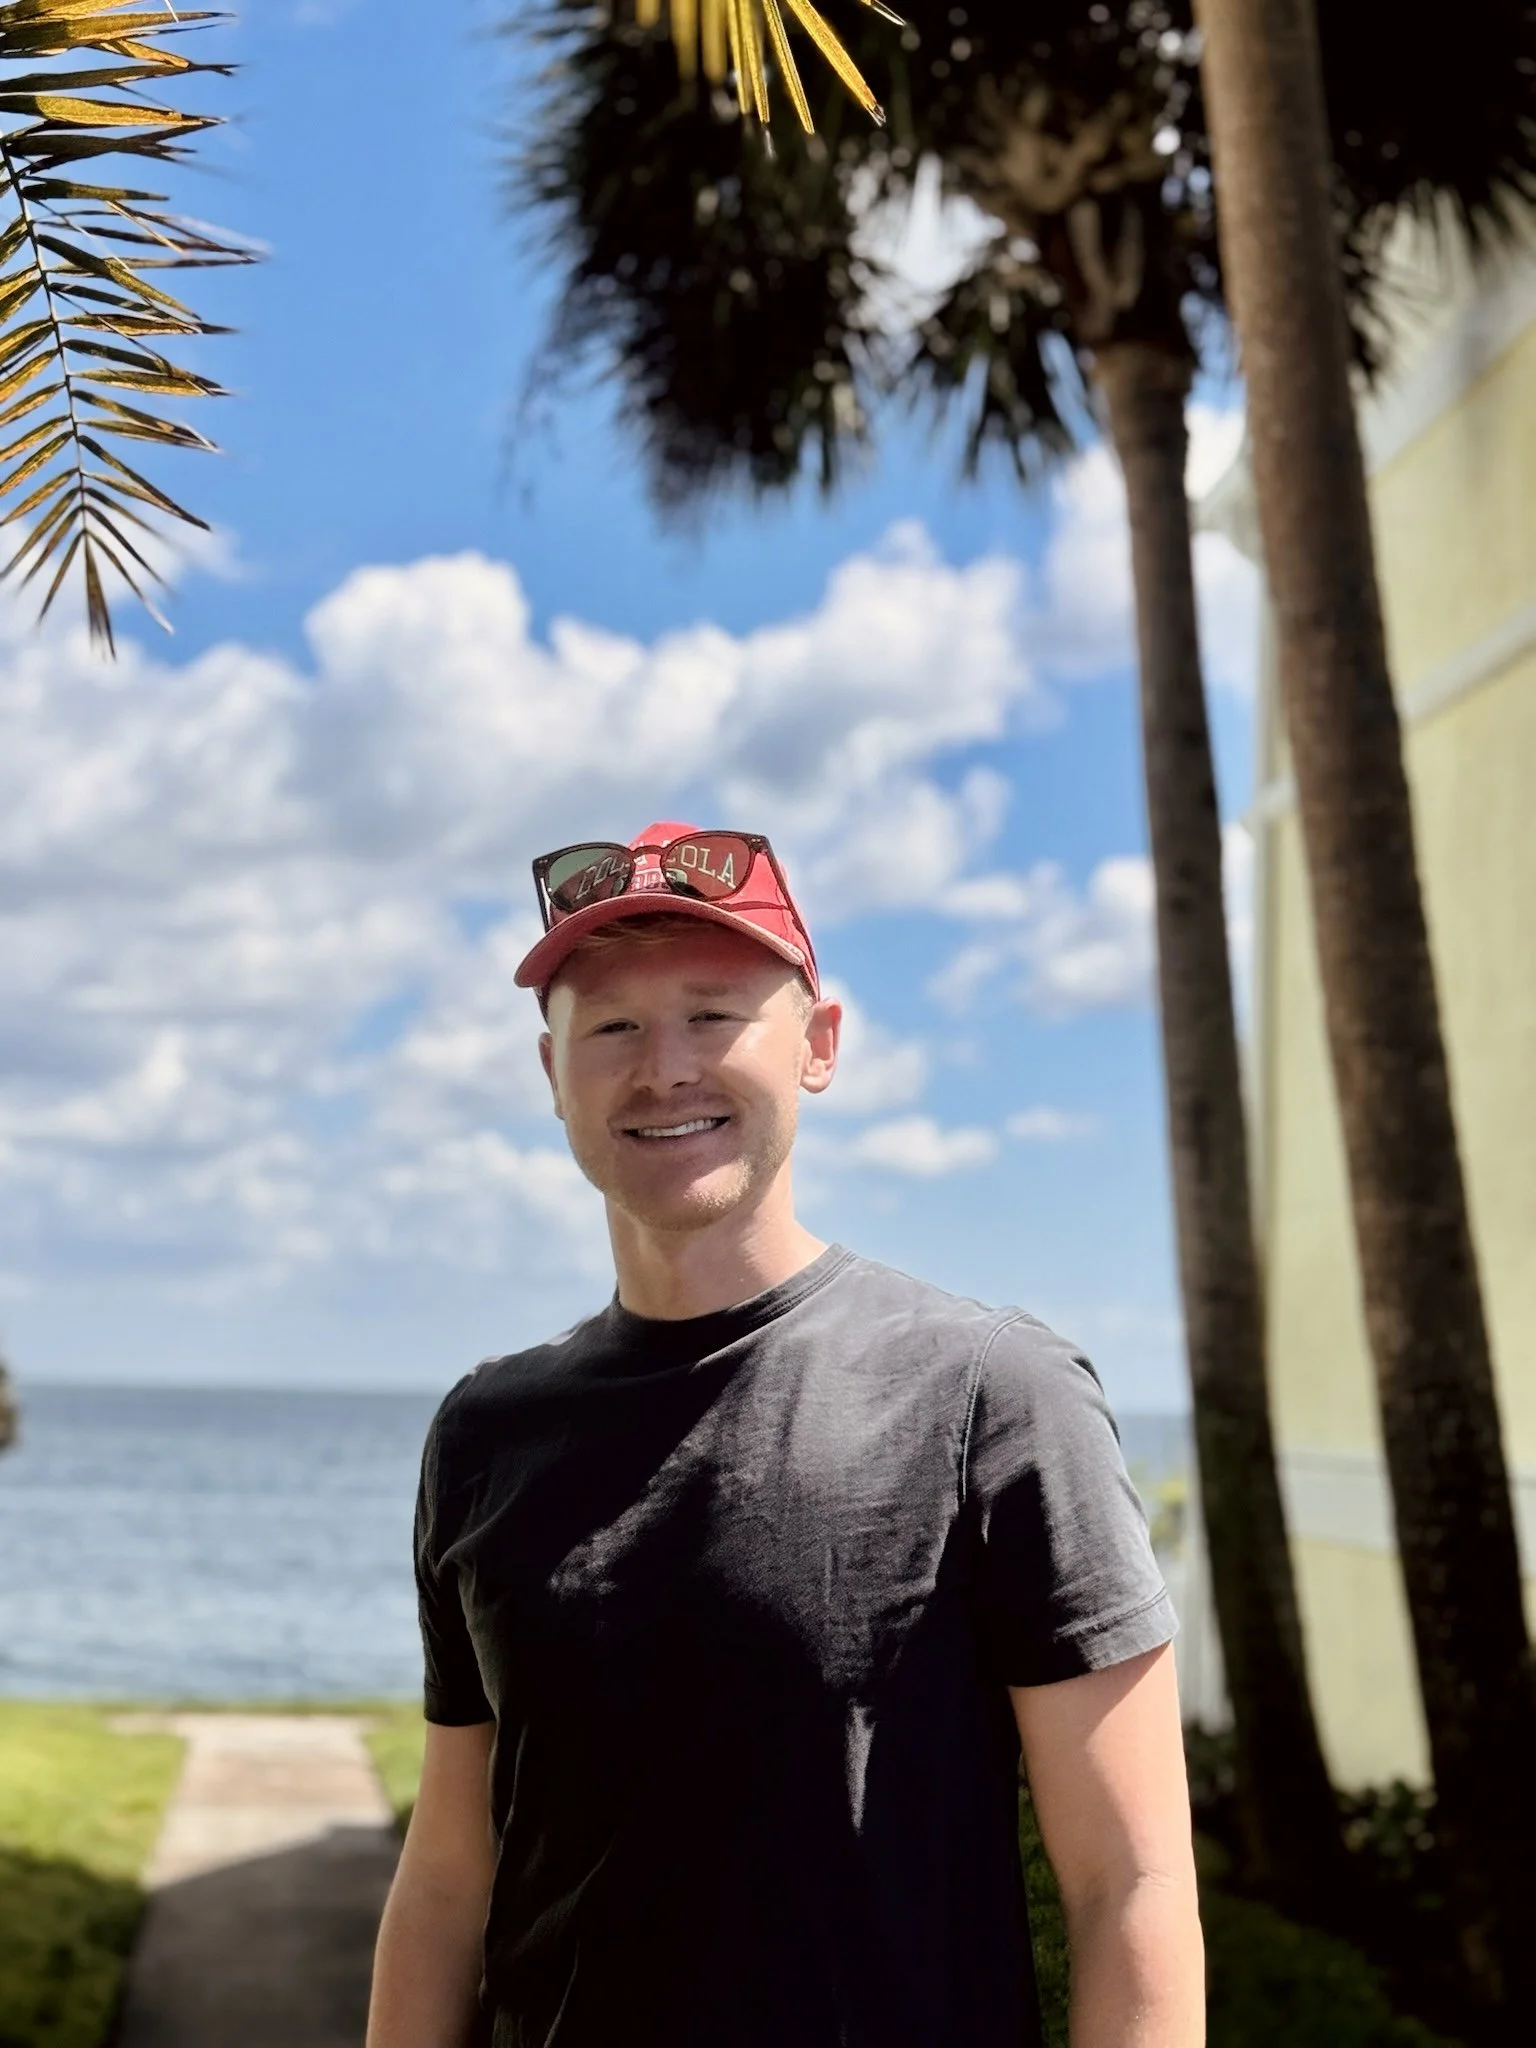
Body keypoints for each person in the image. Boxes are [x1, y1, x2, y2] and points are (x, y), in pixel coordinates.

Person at [367, 822, 1204, 2048]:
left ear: (817, 1046)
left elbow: (1131, 1883)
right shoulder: (488, 1432)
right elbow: (450, 1872)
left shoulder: (992, 1394)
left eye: (713, 1015)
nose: (663, 1069)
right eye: (610, 1027)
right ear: (551, 1073)